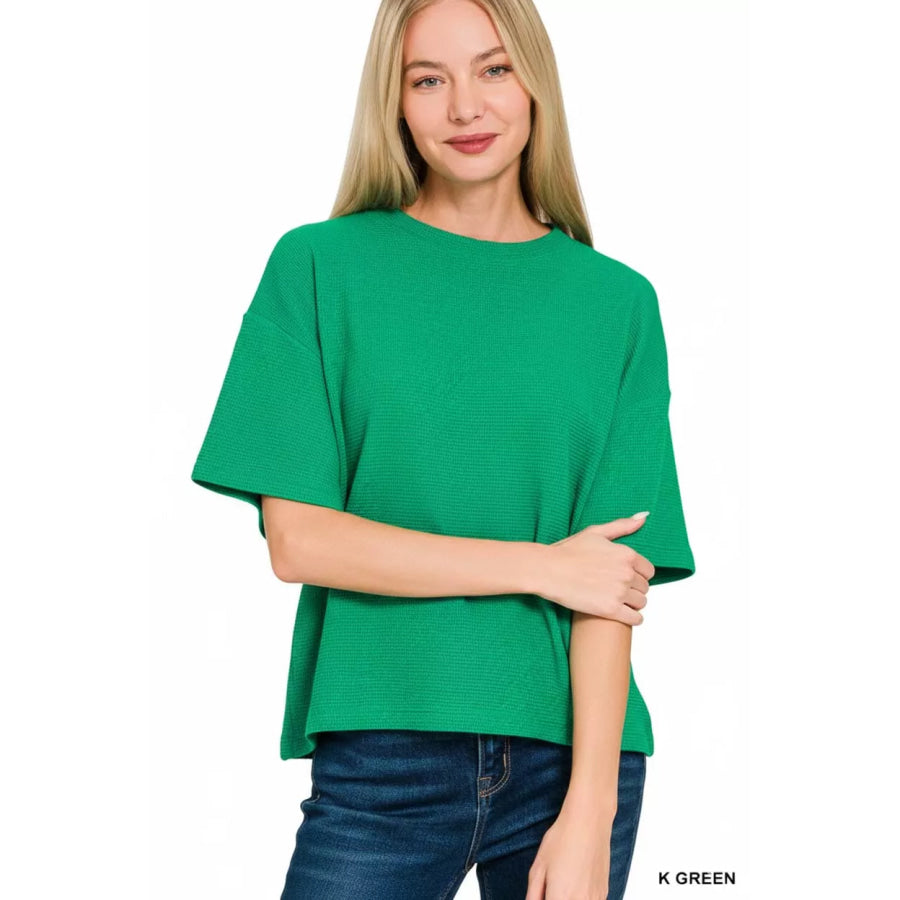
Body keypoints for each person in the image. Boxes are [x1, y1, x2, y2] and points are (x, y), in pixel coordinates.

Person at [190, 0, 696, 897]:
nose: (465, 106)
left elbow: (610, 580)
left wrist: (590, 810)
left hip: (572, 760)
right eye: (428, 79)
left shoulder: (618, 303)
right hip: (384, 747)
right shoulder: (319, 267)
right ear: (393, 101)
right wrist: (540, 566)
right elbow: (300, 542)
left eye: (493, 69)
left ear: (535, 83)